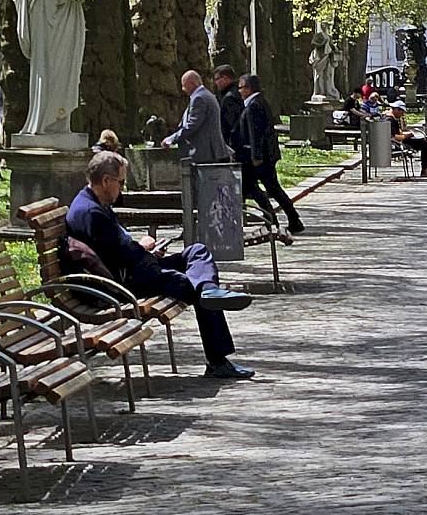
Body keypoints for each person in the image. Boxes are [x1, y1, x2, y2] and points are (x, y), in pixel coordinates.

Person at [67, 149, 258, 380]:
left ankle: (209, 290)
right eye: (121, 181)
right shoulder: (90, 213)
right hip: (128, 282)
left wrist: (146, 249)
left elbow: (117, 247)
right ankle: (217, 359)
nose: (122, 187)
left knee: (197, 251)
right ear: (106, 181)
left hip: (137, 267)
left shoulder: (93, 202)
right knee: (190, 285)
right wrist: (145, 248)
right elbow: (123, 256)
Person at [240, 73, 300, 236]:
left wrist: (256, 157)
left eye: (242, 88)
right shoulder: (258, 102)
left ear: (249, 88)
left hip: (261, 159)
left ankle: (279, 221)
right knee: (268, 189)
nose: (240, 91)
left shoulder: (254, 105)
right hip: (266, 156)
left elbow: (256, 134)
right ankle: (286, 220)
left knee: (268, 189)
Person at [164, 69, 231, 168]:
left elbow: (192, 125)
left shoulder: (199, 98)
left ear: (191, 83)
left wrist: (170, 139)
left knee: (206, 182)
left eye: (184, 85)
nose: (182, 89)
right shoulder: (207, 95)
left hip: (205, 153)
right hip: (209, 151)